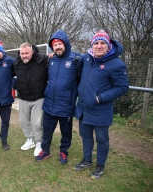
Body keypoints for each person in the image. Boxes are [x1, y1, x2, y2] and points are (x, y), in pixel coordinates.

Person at [73, 30, 129, 179]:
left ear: (108, 45)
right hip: (84, 107)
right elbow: (72, 56)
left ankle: (100, 165)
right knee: (85, 136)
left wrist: (100, 98)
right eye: (96, 43)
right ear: (92, 45)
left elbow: (122, 87)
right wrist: (52, 54)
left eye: (102, 43)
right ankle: (87, 160)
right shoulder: (87, 59)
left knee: (102, 140)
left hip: (100, 109)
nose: (99, 46)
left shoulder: (117, 64)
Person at [35, 30, 82, 164]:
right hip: (49, 103)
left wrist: (71, 94)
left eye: (60, 44)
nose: (57, 47)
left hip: (66, 105)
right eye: (55, 45)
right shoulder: (51, 60)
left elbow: (80, 80)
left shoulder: (76, 60)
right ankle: (45, 151)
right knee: (47, 130)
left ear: (65, 44)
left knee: (66, 132)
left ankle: (63, 151)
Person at [13, 42, 48, 156]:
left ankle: (39, 143)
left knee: (37, 123)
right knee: (24, 121)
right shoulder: (17, 62)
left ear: (32, 51)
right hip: (23, 97)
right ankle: (29, 140)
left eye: (27, 53)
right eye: (22, 53)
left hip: (39, 97)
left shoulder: (42, 60)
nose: (24, 56)